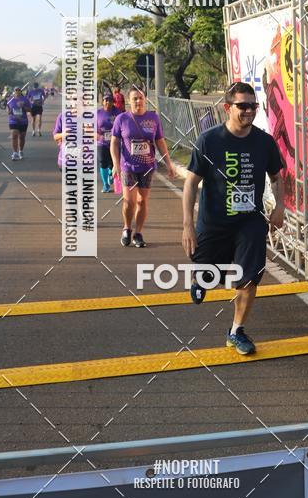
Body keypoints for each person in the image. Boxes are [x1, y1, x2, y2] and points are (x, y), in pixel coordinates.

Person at [181, 82, 285, 356]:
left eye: (253, 106)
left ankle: (236, 331)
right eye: (243, 106)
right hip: (214, 221)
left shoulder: (264, 142)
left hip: (249, 221)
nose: (249, 111)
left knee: (249, 277)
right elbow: (191, 183)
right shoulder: (209, 140)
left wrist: (280, 207)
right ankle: (201, 279)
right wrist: (188, 226)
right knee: (209, 272)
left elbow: (276, 177)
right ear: (228, 108)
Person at [110, 88, 175, 247]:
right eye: (134, 99)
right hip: (128, 166)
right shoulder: (121, 119)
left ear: (145, 99)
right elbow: (114, 143)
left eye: (140, 98)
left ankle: (138, 233)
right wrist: (115, 164)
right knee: (129, 201)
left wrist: (169, 163)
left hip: (147, 166)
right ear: (129, 101)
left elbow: (160, 141)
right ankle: (127, 228)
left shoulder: (153, 118)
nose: (138, 101)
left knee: (142, 201)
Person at [97, 92, 118, 192]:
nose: (107, 102)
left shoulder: (118, 113)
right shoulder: (98, 113)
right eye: (105, 100)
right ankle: (106, 185)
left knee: (113, 164)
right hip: (102, 144)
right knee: (102, 163)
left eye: (110, 100)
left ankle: (111, 174)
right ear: (102, 101)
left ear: (113, 102)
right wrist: (97, 136)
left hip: (116, 144)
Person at [6, 87, 31, 160]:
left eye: (18, 90)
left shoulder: (25, 99)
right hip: (13, 120)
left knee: (22, 137)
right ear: (13, 91)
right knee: (14, 135)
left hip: (23, 121)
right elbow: (7, 108)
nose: (17, 91)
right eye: (15, 90)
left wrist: (23, 106)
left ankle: (20, 151)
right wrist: (8, 111)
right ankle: (15, 153)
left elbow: (29, 109)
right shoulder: (10, 99)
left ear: (21, 91)